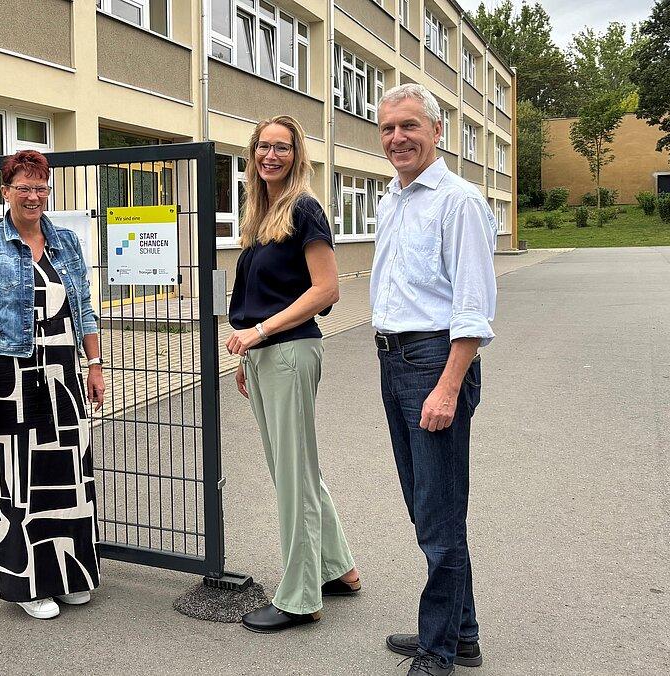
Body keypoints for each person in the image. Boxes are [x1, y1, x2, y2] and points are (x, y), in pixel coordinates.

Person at [371, 84, 497, 675]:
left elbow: (472, 308)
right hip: (393, 360)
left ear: (437, 131)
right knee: (427, 508)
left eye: (410, 126)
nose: (398, 138)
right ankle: (462, 631)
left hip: (433, 363)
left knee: (441, 515)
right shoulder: (391, 201)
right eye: (388, 128)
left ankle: (439, 648)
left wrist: (447, 386)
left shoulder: (460, 201)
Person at [225, 115, 362, 634]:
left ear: (296, 154)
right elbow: (266, 292)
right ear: (253, 153)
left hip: (287, 353)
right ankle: (338, 568)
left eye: (282, 148)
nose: (271, 156)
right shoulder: (262, 216)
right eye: (263, 147)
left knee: (292, 477)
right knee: (296, 470)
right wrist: (249, 353)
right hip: (265, 356)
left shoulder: (304, 209)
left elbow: (326, 291)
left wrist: (258, 335)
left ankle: (301, 596)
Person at [0, 149, 106, 620]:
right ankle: (27, 585)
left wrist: (95, 364)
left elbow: (83, 306)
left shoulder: (64, 241)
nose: (34, 196)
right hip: (10, 374)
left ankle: (71, 575)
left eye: (41, 187)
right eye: (24, 187)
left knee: (69, 475)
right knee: (15, 480)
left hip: (63, 374)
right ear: (5, 192)